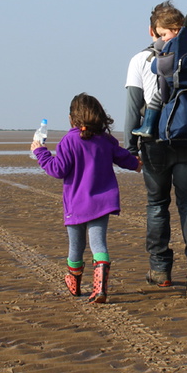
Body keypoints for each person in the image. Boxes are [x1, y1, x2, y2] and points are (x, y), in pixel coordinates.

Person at [125, 1, 187, 297]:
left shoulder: (140, 60)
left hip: (155, 144)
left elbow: (133, 108)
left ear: (151, 29)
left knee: (157, 205)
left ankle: (160, 271)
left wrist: (131, 148)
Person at [32, 93, 141, 304]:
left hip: (76, 204)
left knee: (76, 247)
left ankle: (74, 283)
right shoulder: (106, 141)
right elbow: (124, 158)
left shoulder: (69, 141)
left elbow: (57, 169)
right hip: (102, 203)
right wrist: (137, 164)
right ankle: (99, 288)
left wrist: (40, 152)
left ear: (73, 118)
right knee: (98, 244)